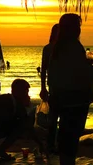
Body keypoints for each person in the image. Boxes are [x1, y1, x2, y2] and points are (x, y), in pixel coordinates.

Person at [47, 14, 93, 165]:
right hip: (76, 100)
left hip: (61, 98)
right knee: (71, 137)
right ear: (73, 28)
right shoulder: (73, 46)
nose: (79, 29)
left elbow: (57, 75)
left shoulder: (56, 48)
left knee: (66, 135)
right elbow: (82, 76)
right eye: (78, 26)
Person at [40, 23, 59, 154]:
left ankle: (54, 145)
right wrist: (43, 88)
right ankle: (51, 145)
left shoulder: (64, 48)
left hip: (61, 87)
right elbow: (44, 69)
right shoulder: (48, 49)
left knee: (57, 118)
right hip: (53, 87)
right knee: (53, 118)